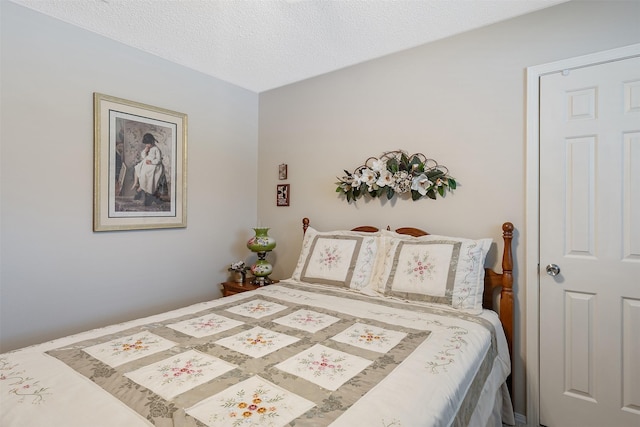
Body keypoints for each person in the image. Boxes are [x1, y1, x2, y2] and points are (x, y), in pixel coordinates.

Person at [131, 133, 164, 206]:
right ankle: (136, 183)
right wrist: (145, 151)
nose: (147, 145)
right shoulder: (148, 148)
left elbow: (158, 160)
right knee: (137, 167)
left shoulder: (156, 149)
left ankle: (142, 187)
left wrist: (152, 162)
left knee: (145, 173)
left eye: (148, 144)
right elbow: (143, 156)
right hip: (146, 163)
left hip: (154, 165)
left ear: (152, 142)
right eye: (146, 144)